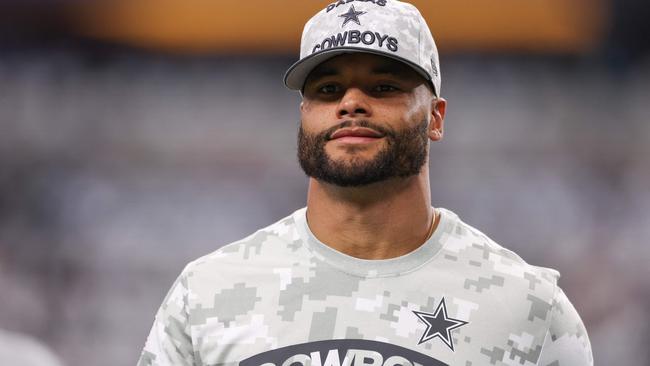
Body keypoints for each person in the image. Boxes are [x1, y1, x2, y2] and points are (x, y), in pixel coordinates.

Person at [137, 1, 593, 365]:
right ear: (304, 115)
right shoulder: (207, 294)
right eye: (328, 90)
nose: (351, 103)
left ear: (436, 117)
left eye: (383, 88)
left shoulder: (529, 309)